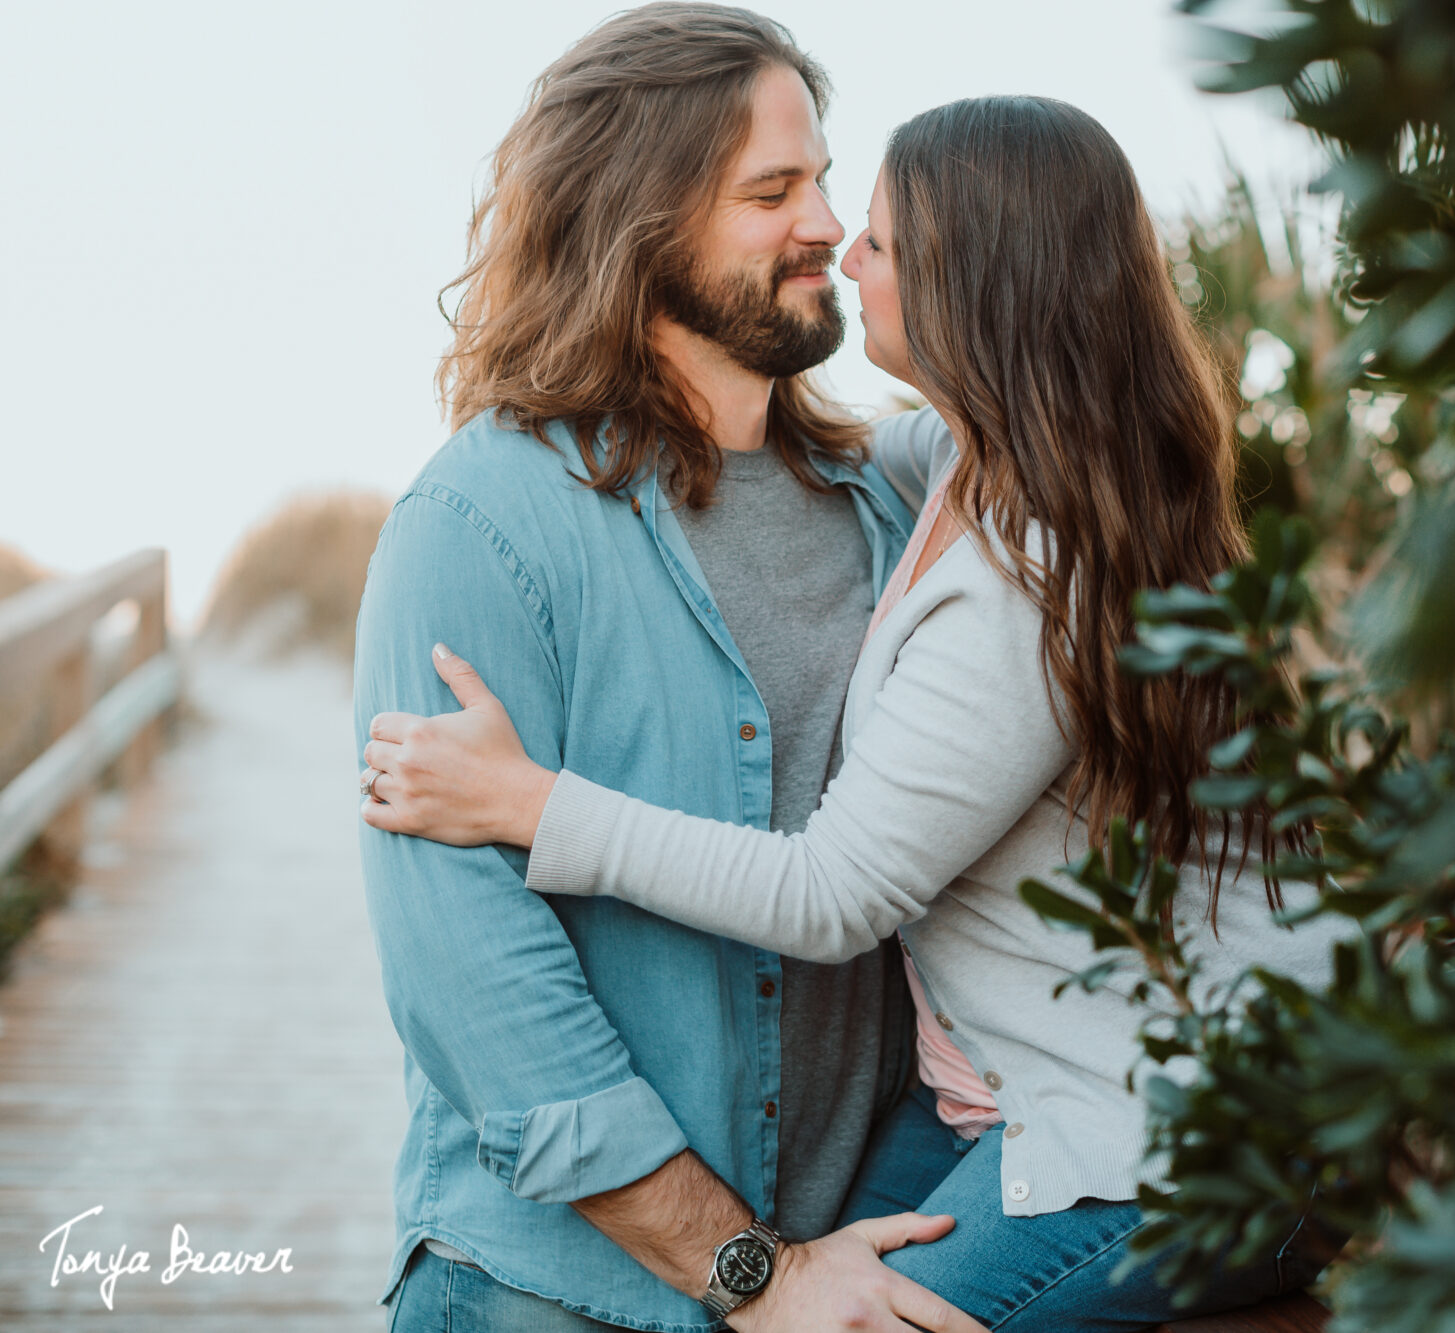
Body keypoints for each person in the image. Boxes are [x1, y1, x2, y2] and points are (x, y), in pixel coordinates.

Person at [360, 94, 1347, 1332]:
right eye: (780, 196)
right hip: (1027, 1098)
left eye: (870, 228)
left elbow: (833, 894)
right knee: (808, 1285)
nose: (834, 238)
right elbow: (787, 452)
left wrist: (532, 805)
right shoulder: (942, 466)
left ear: (977, 283)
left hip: (1161, 1132)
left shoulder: (1028, 568)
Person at [351, 6, 983, 1331]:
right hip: (546, 1294)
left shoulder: (885, 503)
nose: (830, 223)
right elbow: (474, 983)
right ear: (637, 221)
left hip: (852, 1269)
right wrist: (744, 1270)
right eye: (774, 191)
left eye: (821, 176)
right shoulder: (479, 521)